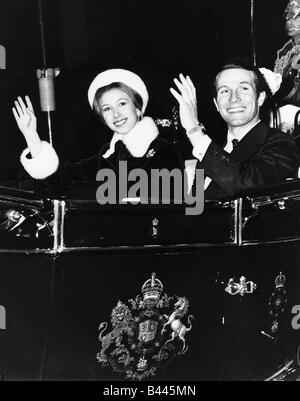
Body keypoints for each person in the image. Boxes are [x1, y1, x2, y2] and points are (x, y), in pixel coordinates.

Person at [12, 69, 183, 200]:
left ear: (138, 108)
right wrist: (31, 135)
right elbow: (57, 180)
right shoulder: (108, 155)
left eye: (122, 104)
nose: (115, 114)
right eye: (107, 108)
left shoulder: (164, 152)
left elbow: (173, 212)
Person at [170, 64, 300, 200]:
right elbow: (194, 210)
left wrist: (193, 128)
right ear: (216, 104)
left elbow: (248, 187)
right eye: (224, 91)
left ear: (260, 98)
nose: (233, 98)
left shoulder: (281, 144)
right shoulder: (212, 150)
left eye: (243, 88)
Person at [274, 0, 300, 134]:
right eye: (287, 18)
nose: (290, 22)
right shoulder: (285, 50)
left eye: (296, 17)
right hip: (281, 109)